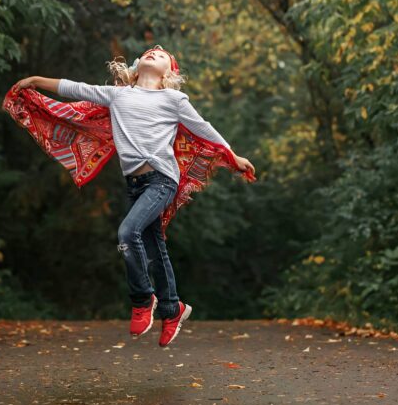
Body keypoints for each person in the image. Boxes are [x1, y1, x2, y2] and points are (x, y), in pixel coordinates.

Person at [14, 44, 255, 347]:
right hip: (136, 184)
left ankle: (143, 299)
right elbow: (75, 88)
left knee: (127, 233)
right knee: (155, 248)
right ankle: (172, 308)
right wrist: (36, 80)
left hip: (163, 180)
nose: (154, 51)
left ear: (169, 72)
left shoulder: (173, 98)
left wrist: (234, 157)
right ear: (138, 64)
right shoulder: (118, 95)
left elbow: (203, 129)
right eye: (149, 51)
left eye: (162, 54)